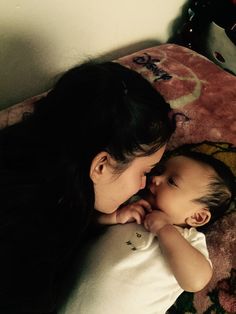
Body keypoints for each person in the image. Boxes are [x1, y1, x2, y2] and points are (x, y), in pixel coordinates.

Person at [0, 60, 174, 314]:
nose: (143, 185)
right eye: (144, 172)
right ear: (101, 165)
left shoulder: (33, 156)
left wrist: (102, 219)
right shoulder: (28, 242)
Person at [59, 151, 234, 314]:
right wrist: (113, 217)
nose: (156, 178)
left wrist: (165, 229)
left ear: (197, 217)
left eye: (171, 181)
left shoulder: (188, 240)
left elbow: (196, 281)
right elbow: (83, 227)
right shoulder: (131, 205)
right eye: (159, 171)